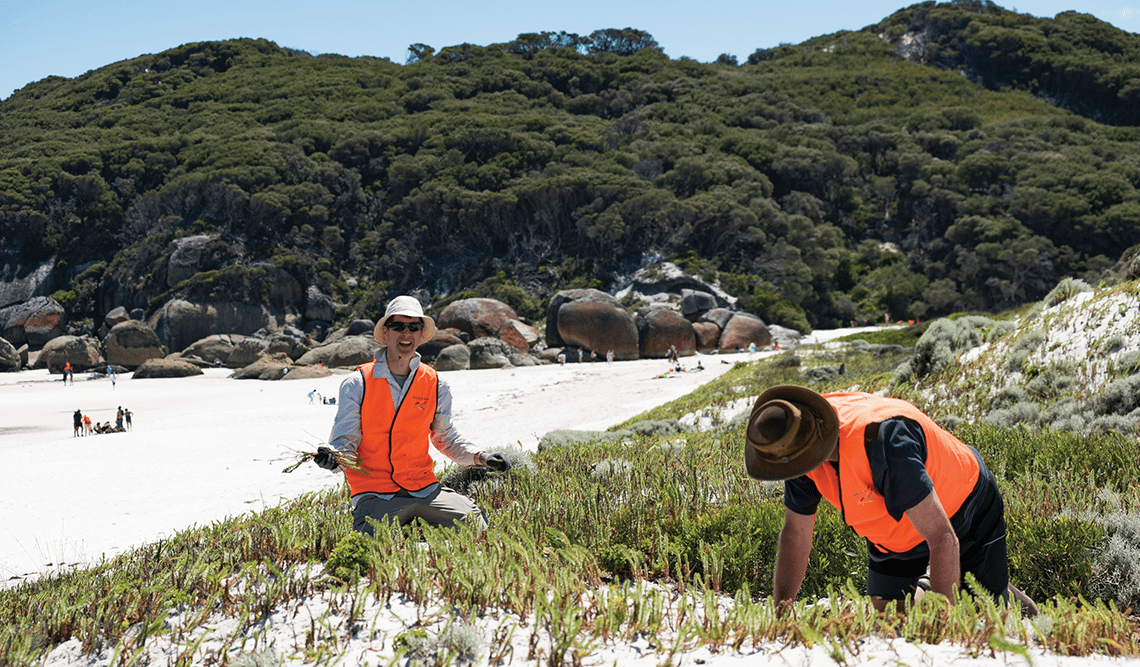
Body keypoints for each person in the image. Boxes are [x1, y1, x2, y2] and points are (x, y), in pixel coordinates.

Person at [745, 385, 1037, 616]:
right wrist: (782, 615)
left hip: (963, 509)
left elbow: (942, 538)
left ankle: (998, 593)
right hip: (894, 535)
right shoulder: (795, 449)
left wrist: (942, 631)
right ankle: (957, 581)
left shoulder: (886, 443)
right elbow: (796, 535)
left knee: (981, 614)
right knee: (890, 618)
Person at [315, 296, 511, 535]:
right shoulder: (357, 383)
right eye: (398, 326)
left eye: (413, 327)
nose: (406, 333)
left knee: (476, 525)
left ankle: (414, 526)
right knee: (371, 540)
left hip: (424, 489)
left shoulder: (436, 383)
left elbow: (446, 439)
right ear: (386, 333)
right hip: (376, 493)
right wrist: (334, 458)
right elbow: (345, 442)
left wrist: (482, 458)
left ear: (420, 334)